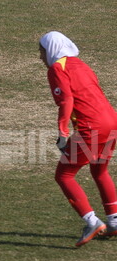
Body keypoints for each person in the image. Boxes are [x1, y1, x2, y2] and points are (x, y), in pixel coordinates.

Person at [40, 31, 117, 248]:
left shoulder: (57, 68)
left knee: (64, 175)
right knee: (99, 170)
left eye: (41, 51)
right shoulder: (80, 64)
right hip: (112, 121)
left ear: (50, 49)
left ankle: (92, 222)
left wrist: (62, 131)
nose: (40, 56)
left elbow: (66, 100)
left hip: (91, 128)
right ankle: (114, 220)